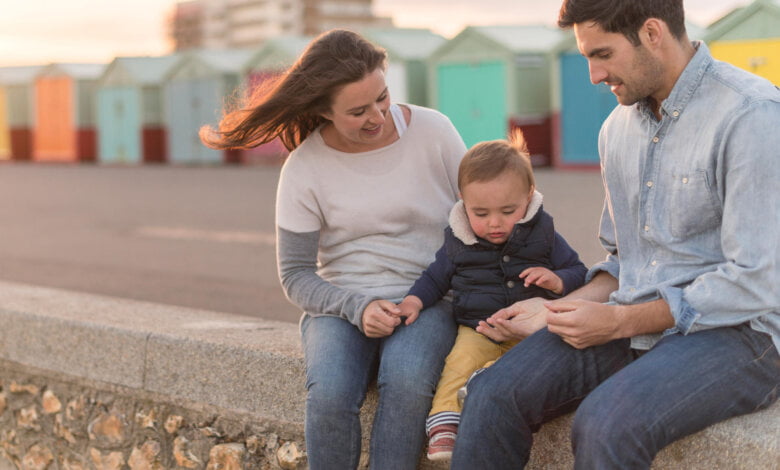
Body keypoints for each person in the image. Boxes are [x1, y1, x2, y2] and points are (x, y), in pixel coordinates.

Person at [450, 1, 780, 468]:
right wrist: (561, 308)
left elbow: (756, 279)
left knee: (604, 423)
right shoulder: (616, 130)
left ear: (651, 33)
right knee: (491, 392)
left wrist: (621, 321)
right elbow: (626, 260)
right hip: (634, 322)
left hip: (740, 335)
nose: (592, 74)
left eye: (602, 54)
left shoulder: (753, 115)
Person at [200, 29, 467, 469]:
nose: (377, 116)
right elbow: (296, 275)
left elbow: (481, 213)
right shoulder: (304, 167)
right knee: (329, 392)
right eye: (358, 111)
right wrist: (357, 307)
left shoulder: (434, 131)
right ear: (323, 109)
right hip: (342, 305)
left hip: (430, 297)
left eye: (382, 97)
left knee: (406, 379)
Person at [395, 133, 587, 461]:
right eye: (480, 213)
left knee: (524, 368)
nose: (494, 224)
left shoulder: (544, 235)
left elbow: (579, 272)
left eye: (507, 211)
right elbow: (435, 278)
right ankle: (444, 424)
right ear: (463, 201)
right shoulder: (459, 241)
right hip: (477, 327)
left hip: (530, 330)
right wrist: (413, 301)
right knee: (458, 363)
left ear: (528, 196)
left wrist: (556, 281)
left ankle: (485, 386)